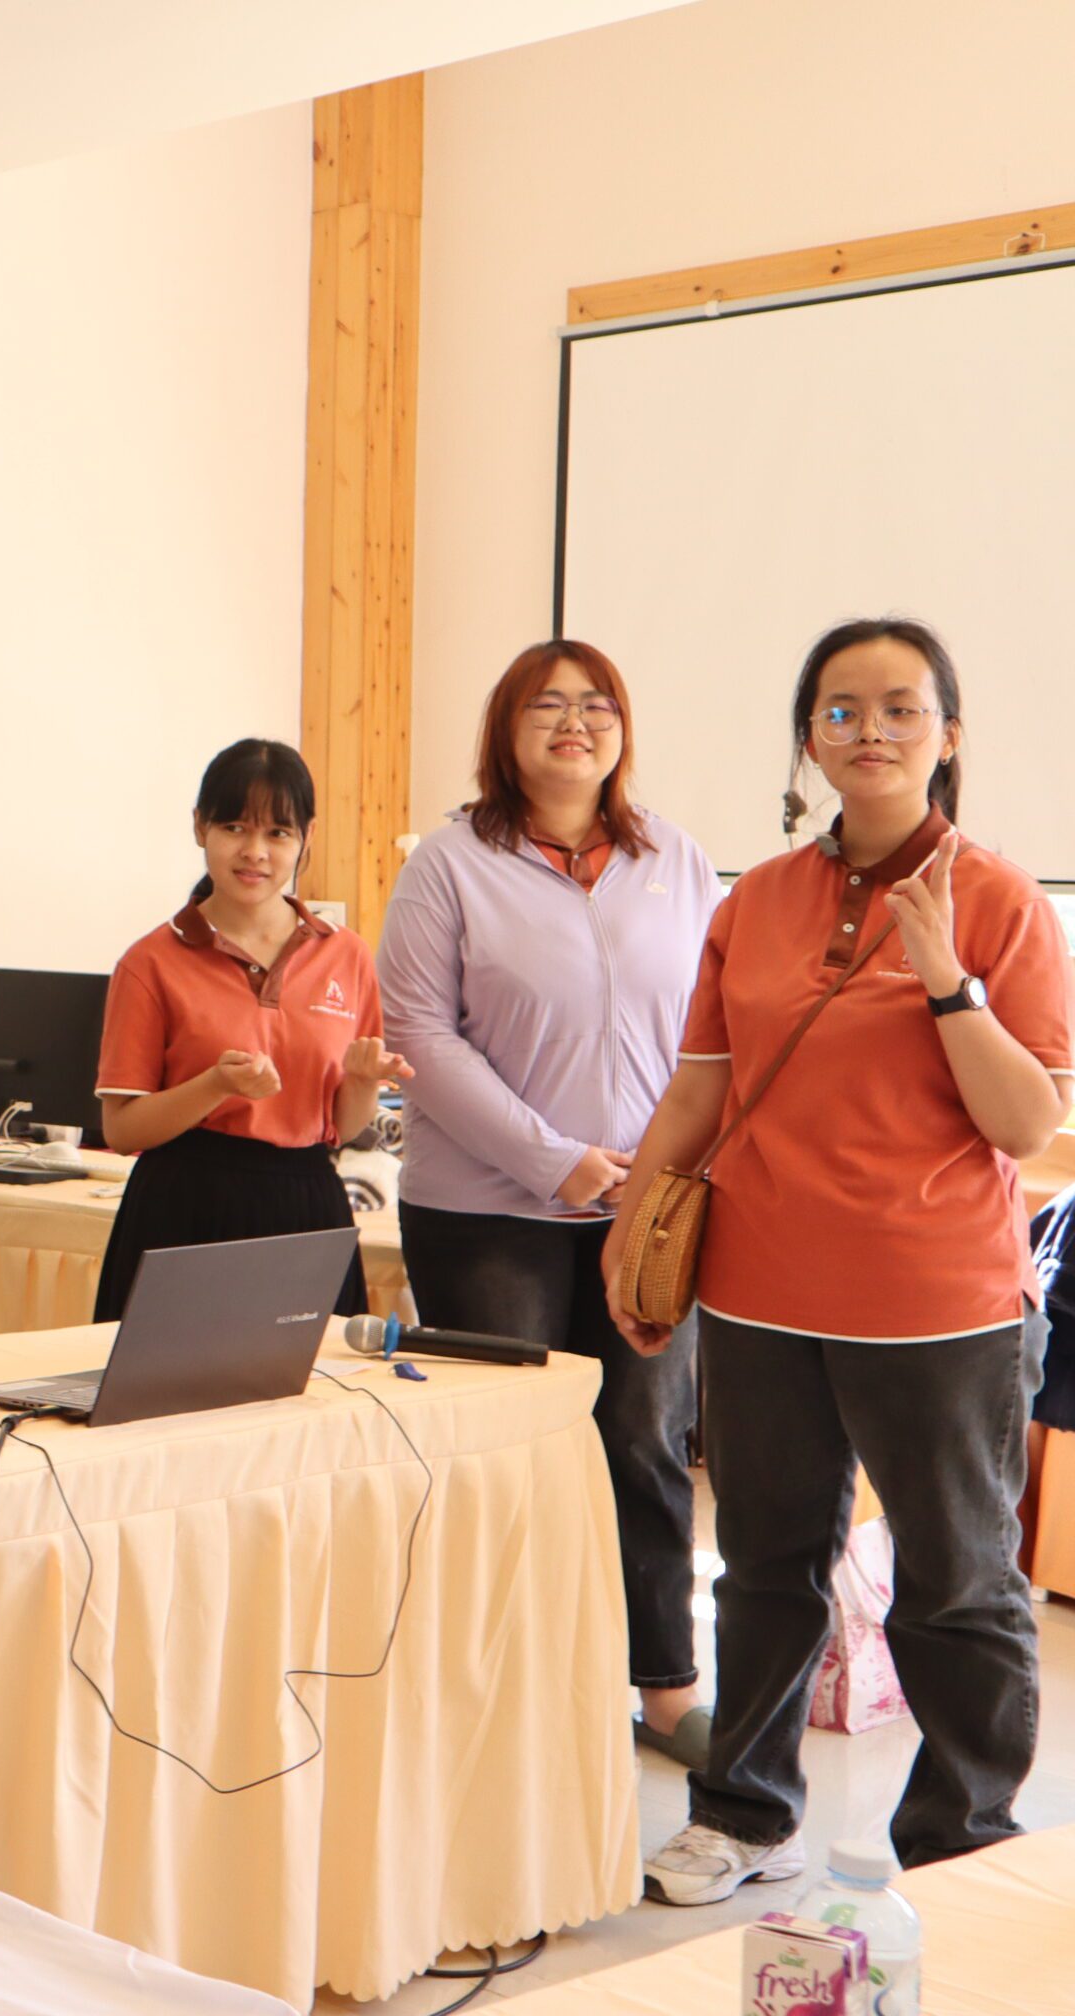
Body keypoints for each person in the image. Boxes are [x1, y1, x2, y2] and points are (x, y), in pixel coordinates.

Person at [610, 618, 1070, 1903]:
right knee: (762, 1570)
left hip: (939, 1308)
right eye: (841, 710)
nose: (870, 731)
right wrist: (635, 1231)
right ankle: (746, 1815)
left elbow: (1026, 1124)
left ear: (949, 734)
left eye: (901, 708)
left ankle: (961, 1846)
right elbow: (700, 1092)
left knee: (958, 1587)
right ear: (808, 739)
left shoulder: (1002, 902)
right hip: (759, 1294)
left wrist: (946, 978)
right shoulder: (755, 900)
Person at [379, 641, 721, 1763]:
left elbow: (715, 1029)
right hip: (487, 1210)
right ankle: (506, 1692)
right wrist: (555, 1160)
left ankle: (665, 1687)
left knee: (646, 1441)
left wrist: (663, 1169)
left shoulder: (676, 859)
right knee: (508, 1452)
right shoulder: (448, 864)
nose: (576, 724)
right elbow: (420, 1036)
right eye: (548, 706)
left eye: (597, 705)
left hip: (650, 1209)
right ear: (506, 730)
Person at [90, 738, 408, 1321]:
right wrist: (215, 1085)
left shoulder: (347, 956)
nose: (255, 852)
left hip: (308, 1206)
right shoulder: (150, 962)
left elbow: (341, 1127)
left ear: (307, 837)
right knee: (176, 1380)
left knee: (315, 1380)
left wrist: (363, 1080)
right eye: (234, 827)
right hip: (183, 1209)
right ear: (200, 827)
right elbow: (123, 1129)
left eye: (277, 833)